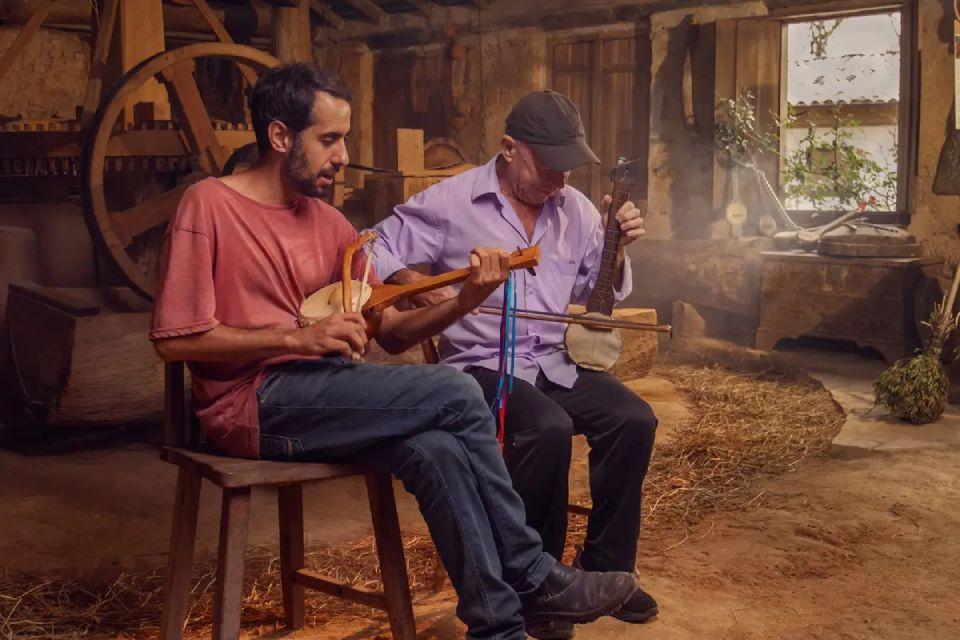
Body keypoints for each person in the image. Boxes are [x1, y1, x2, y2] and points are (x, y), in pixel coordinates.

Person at [149, 65, 637, 640]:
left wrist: (466, 300)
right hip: (252, 402)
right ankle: (533, 572)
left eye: (344, 139)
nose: (343, 156)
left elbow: (395, 336)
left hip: (328, 393)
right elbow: (173, 339)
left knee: (440, 451)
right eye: (329, 140)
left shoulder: (333, 225)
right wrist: (295, 339)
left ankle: (498, 628)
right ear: (280, 136)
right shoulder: (209, 205)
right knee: (459, 389)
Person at [371, 90, 659, 639]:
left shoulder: (575, 208)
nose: (560, 179)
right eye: (548, 165)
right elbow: (373, 246)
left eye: (568, 167)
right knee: (546, 427)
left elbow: (593, 292)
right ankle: (541, 590)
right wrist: (416, 284)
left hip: (554, 359)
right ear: (510, 148)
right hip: (481, 365)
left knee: (634, 420)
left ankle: (605, 568)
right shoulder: (452, 201)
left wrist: (616, 250)